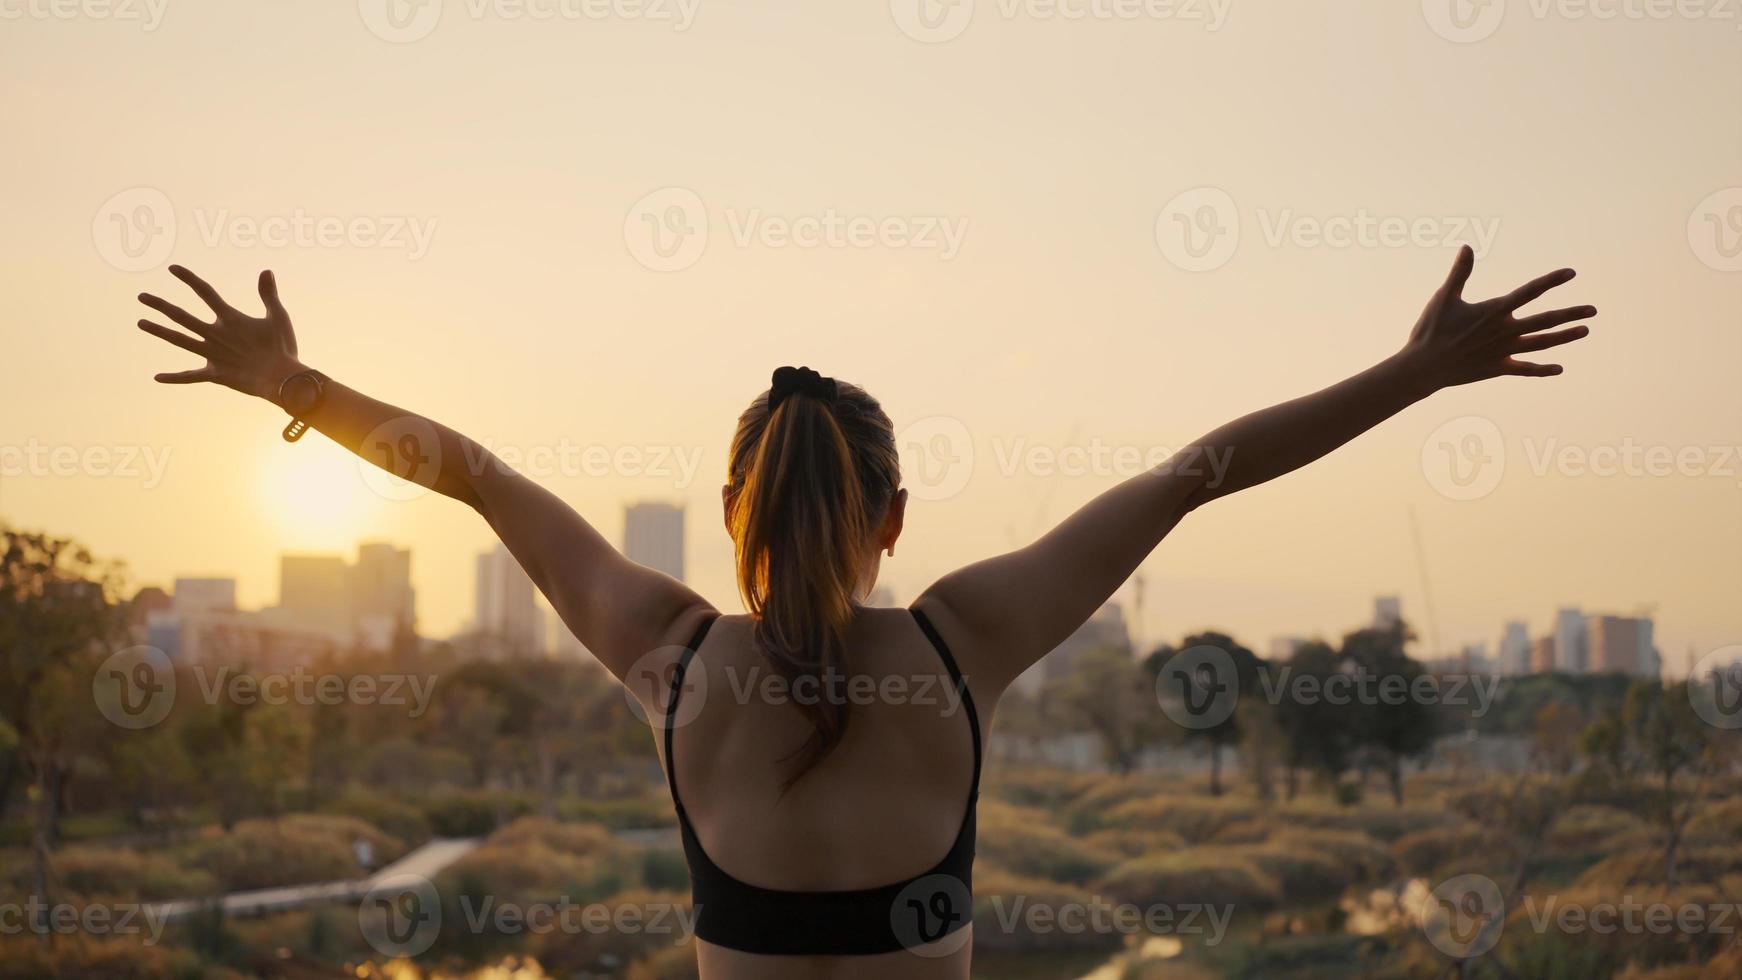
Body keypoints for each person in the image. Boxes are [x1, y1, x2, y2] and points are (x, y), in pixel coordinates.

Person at [134, 247, 1592, 978]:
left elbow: (475, 477)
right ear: (892, 517)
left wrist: (295, 392)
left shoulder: (672, 655)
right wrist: (1411, 375)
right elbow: (1194, 474)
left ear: (730, 517)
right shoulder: (964, 645)